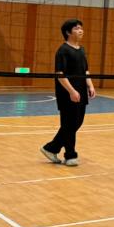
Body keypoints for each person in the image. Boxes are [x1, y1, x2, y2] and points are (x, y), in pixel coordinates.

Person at [42, 19, 95, 166]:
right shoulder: (63, 50)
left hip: (81, 92)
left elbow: (85, 70)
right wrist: (71, 91)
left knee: (76, 122)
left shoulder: (81, 50)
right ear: (68, 32)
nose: (81, 30)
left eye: (81, 28)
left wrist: (90, 85)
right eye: (77, 28)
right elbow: (60, 74)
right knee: (69, 124)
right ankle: (70, 155)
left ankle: (51, 148)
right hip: (67, 93)